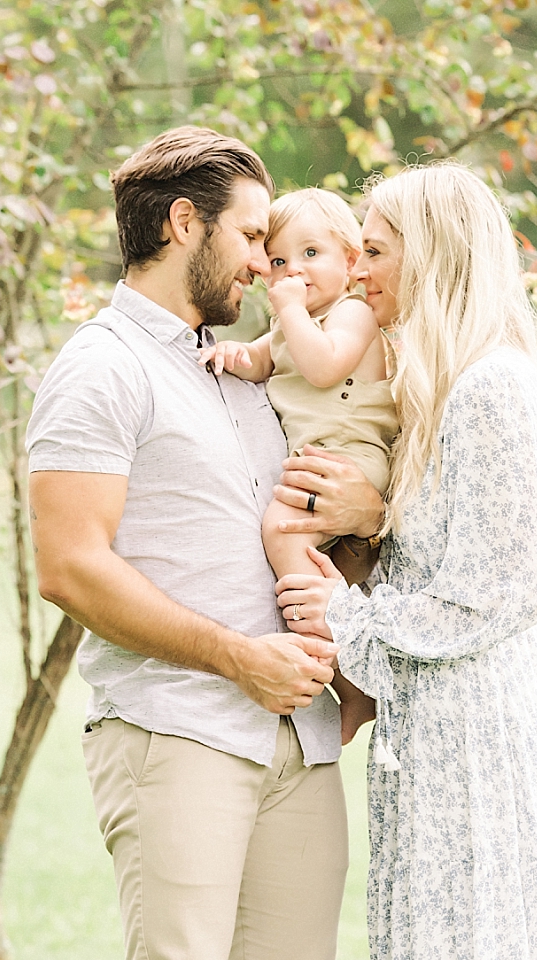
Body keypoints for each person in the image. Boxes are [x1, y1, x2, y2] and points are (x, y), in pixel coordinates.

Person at [276, 161, 537, 960]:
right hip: (426, 733)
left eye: (374, 251)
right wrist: (373, 518)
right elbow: (440, 548)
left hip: (480, 733)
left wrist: (340, 614)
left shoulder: (493, 388)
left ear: (433, 256)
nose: (355, 273)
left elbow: (504, 592)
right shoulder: (430, 392)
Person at [26, 126, 352, 960]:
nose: (267, 265)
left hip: (301, 736)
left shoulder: (250, 370)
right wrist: (238, 657)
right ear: (182, 222)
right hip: (178, 730)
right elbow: (69, 566)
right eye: (252, 238)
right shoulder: (101, 367)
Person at [199, 186, 396, 743]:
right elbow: (262, 360)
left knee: (279, 530)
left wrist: (285, 309)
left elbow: (322, 367)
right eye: (280, 261)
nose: (294, 272)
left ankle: (344, 670)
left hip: (351, 462)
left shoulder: (352, 314)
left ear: (350, 261)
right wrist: (233, 356)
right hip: (324, 465)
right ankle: (355, 684)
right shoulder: (293, 323)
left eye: (312, 255)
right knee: (323, 560)